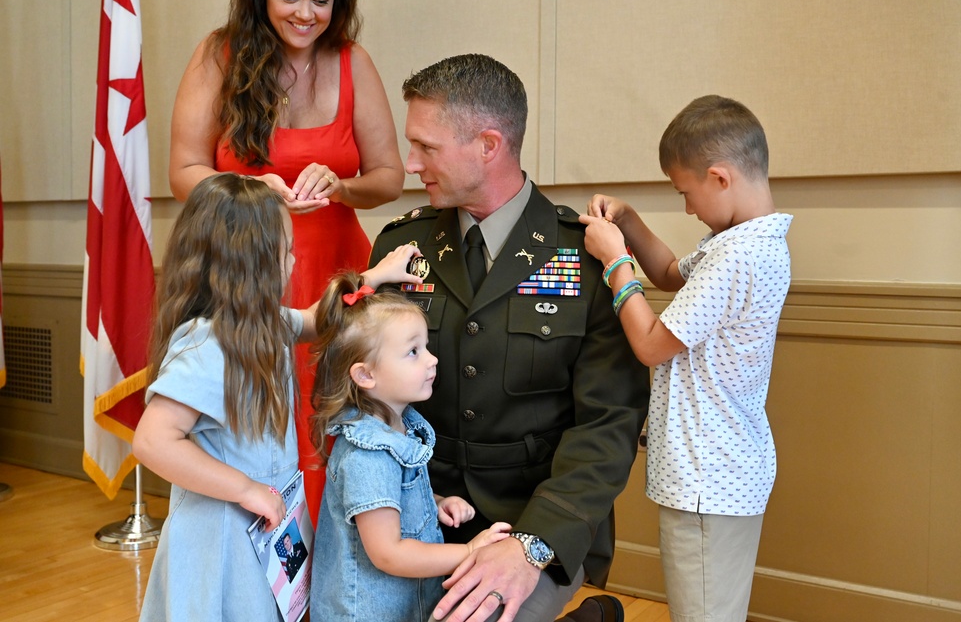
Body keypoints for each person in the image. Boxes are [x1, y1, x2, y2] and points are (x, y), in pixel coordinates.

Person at [368, 54, 649, 622]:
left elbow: (607, 426)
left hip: (533, 518)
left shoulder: (585, 256)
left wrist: (532, 545)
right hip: (416, 512)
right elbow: (371, 400)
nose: (410, 162)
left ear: (488, 145)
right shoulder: (402, 247)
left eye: (426, 146)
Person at [168, 0, 405, 525]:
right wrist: (251, 188)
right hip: (247, 271)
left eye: (321, 1)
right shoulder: (218, 55)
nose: (306, 14)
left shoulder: (353, 61)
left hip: (337, 268)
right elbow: (183, 172)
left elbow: (390, 178)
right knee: (266, 421)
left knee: (339, 418)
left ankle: (342, 576)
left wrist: (344, 187)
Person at [132, 173, 419, 622]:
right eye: (284, 250)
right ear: (249, 262)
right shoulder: (206, 344)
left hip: (263, 530)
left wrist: (375, 275)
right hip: (222, 538)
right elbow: (153, 441)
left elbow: (316, 319)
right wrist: (246, 489)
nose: (292, 261)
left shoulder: (264, 322)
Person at [579, 95, 793, 622]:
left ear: (720, 178)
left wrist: (615, 262)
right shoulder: (743, 242)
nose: (688, 208)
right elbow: (673, 274)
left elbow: (651, 344)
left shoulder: (738, 255)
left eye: (686, 192)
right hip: (724, 468)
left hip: (708, 476)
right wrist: (629, 223)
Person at [308, 272, 512, 621]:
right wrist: (469, 551)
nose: (432, 359)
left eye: (426, 348)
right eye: (413, 352)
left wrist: (436, 503)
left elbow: (393, 499)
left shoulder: (396, 427)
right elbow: (388, 553)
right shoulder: (367, 456)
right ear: (365, 375)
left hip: (405, 605)